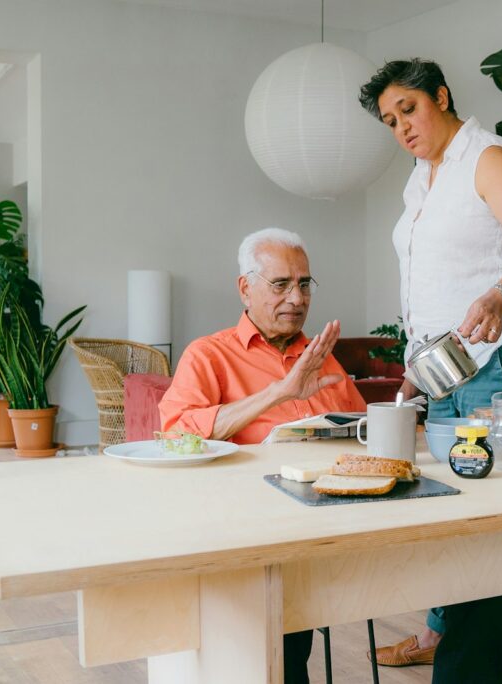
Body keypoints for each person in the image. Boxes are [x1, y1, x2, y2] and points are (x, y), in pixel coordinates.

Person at [358, 59, 502, 683]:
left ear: (440, 96)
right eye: (390, 121)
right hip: (446, 365)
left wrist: (500, 295)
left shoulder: (488, 157)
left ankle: (473, 670)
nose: (402, 127)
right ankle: (441, 638)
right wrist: (414, 378)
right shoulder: (421, 181)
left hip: (500, 352)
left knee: (486, 512)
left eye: (409, 110)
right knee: (452, 503)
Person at [159, 226, 366, 684]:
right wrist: (279, 394)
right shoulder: (209, 355)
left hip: (328, 527)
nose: (297, 298)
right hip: (246, 535)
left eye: (305, 284)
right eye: (281, 285)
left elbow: (360, 428)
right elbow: (175, 431)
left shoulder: (321, 359)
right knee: (277, 640)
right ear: (245, 288)